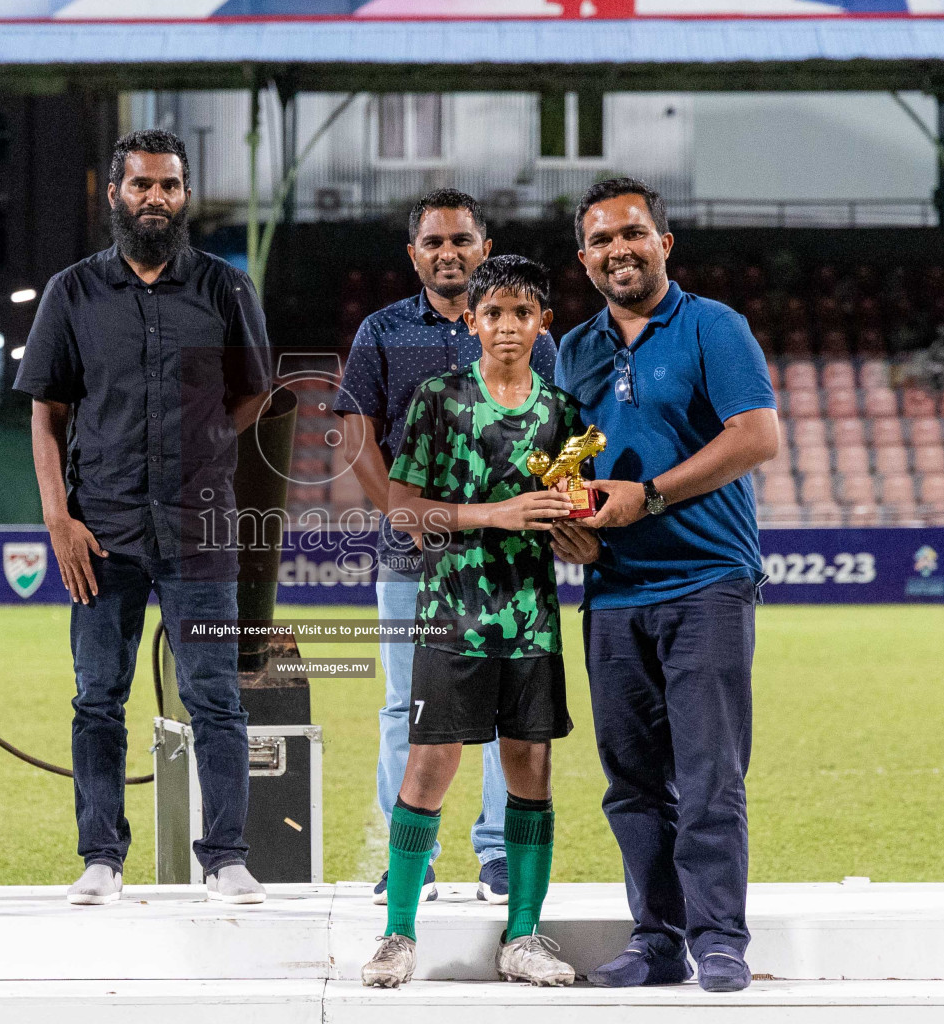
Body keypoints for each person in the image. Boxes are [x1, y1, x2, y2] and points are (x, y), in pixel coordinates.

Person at [14, 129, 273, 906]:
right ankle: (101, 857)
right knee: (98, 696)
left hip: (200, 529)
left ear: (185, 195)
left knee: (217, 698)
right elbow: (46, 414)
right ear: (115, 194)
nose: (155, 198)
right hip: (101, 531)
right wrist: (58, 518)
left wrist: (203, 444)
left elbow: (255, 390)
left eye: (168, 185)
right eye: (141, 186)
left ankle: (225, 856)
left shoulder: (227, 288)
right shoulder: (72, 291)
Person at [551, 177, 779, 993]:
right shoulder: (572, 353)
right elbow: (564, 470)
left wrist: (649, 495)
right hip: (612, 592)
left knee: (710, 772)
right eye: (603, 240)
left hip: (707, 582)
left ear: (664, 243)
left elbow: (757, 437)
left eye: (634, 233)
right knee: (634, 783)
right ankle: (657, 938)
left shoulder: (714, 327)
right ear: (585, 259)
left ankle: (720, 939)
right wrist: (567, 528)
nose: (620, 249)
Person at [361, 256, 581, 989]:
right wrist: (496, 514)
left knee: (531, 766)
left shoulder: (561, 411)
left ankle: (523, 935)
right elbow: (403, 505)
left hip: (531, 616)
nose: (508, 326)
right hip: (452, 610)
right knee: (431, 763)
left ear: (542, 323)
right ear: (471, 321)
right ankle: (397, 932)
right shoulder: (438, 399)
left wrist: (580, 533)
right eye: (494, 314)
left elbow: (574, 516)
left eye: (522, 313)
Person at [337, 189, 558, 907]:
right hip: (413, 555)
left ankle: (496, 854)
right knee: (407, 705)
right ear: (414, 254)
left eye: (461, 239)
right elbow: (355, 432)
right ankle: (415, 854)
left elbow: (552, 434)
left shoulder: (527, 331)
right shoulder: (381, 330)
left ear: (483, 248)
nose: (448, 252)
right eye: (433, 242)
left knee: (507, 709)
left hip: (508, 553)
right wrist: (401, 514)